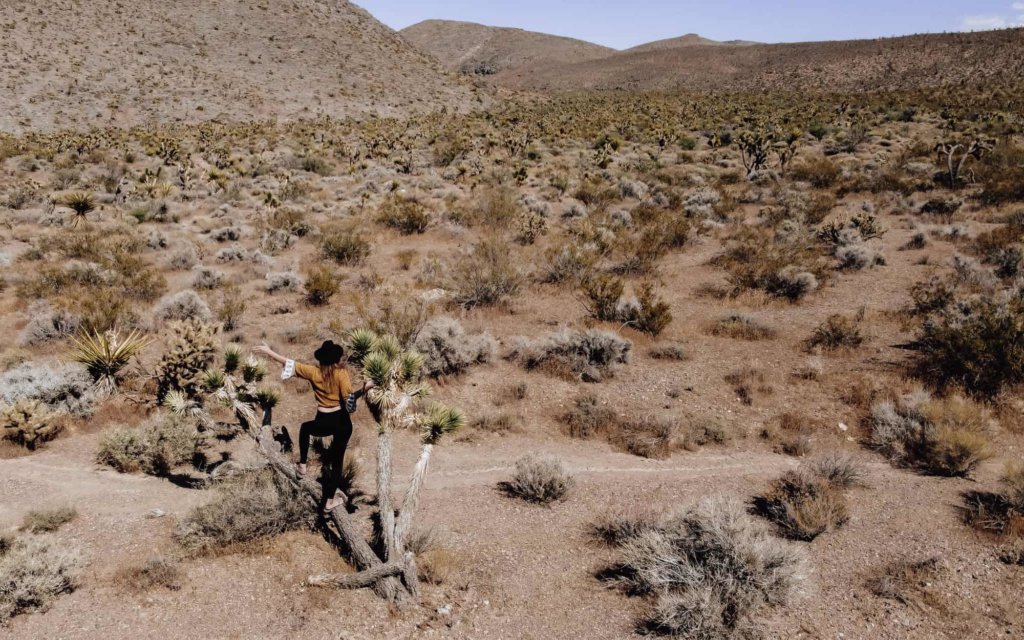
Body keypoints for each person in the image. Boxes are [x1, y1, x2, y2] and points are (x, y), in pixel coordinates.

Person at [253, 340, 370, 512]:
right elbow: (349, 402)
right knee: (337, 463)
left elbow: (288, 362)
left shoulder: (313, 372)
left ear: (321, 359)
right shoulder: (341, 373)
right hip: (342, 422)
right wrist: (364, 389)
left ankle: (302, 465)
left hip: (323, 420)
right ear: (336, 359)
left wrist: (269, 351)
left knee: (305, 428)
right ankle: (329, 502)